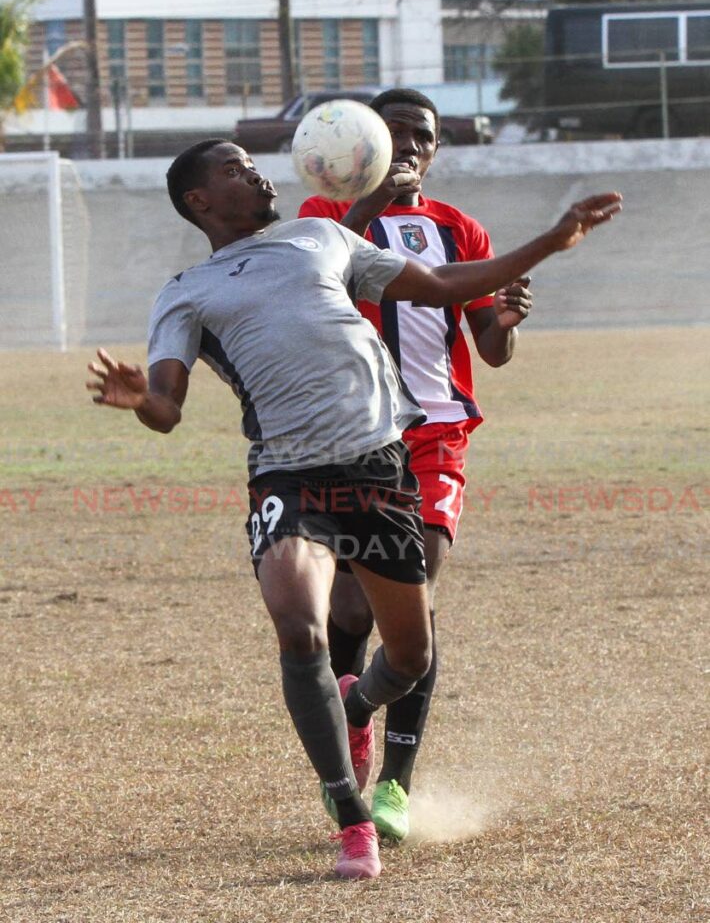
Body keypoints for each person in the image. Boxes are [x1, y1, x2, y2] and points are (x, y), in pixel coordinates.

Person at [86, 137, 620, 880]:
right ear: (198, 201)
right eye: (235, 168)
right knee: (299, 625)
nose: (256, 171)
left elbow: (439, 285)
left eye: (252, 162)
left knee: (409, 658)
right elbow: (167, 406)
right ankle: (352, 820)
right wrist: (140, 396)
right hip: (288, 478)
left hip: (379, 470)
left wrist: (551, 243)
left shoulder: (321, 235)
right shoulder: (187, 289)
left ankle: (359, 705)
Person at [298, 87, 533, 840]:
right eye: (395, 133)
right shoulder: (324, 218)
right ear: (365, 143)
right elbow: (319, 284)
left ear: (436, 148)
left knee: (413, 607)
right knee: (346, 613)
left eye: (423, 137)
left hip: (435, 436)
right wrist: (371, 203)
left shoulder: (458, 227)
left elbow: (490, 352)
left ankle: (394, 784)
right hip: (352, 436)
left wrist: (506, 322)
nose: (411, 146)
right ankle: (348, 730)